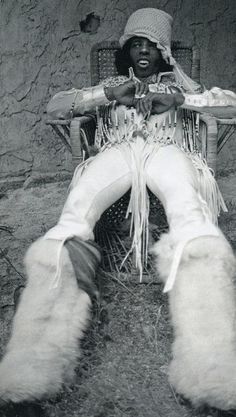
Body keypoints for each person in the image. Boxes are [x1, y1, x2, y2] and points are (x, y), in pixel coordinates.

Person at [1, 7, 236, 414]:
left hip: (169, 153)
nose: (143, 51)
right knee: (72, 220)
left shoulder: (179, 84)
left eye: (151, 45)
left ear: (165, 52)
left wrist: (181, 98)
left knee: (190, 217)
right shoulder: (111, 84)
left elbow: (229, 105)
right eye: (135, 44)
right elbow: (55, 108)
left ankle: (213, 373)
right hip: (117, 152)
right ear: (127, 50)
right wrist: (107, 95)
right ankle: (33, 372)